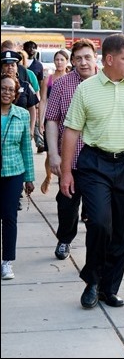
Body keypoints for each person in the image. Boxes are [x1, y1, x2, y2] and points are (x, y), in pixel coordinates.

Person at [60, 33, 124, 310]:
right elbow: (71, 131)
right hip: (94, 164)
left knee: (122, 230)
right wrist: (66, 171)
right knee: (101, 223)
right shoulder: (87, 89)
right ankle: (92, 280)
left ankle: (109, 288)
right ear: (110, 59)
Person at [45, 39, 98, 260]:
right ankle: (65, 239)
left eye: (87, 57)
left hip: (100, 160)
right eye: (78, 58)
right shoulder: (61, 85)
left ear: (96, 58)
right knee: (67, 204)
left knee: (99, 211)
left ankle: (99, 249)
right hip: (71, 159)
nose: (83, 62)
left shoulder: (109, 82)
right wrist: (54, 154)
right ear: (72, 61)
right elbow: (51, 121)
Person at [1, 73, 35, 280]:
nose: (6, 92)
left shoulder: (22, 114)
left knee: (9, 217)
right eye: (3, 88)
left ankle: (7, 262)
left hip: (13, 172)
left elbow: (26, 148)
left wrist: (29, 178)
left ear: (15, 94)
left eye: (10, 89)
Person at [39, 49, 69, 194]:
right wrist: (40, 121)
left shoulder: (70, 79)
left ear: (67, 62)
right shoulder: (48, 79)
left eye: (62, 59)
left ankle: (62, 179)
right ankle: (49, 176)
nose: (59, 62)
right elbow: (43, 100)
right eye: (57, 59)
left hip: (65, 120)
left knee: (64, 151)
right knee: (50, 151)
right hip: (50, 119)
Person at [23, 41, 44, 153]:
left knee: (34, 119)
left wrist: (38, 98)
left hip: (33, 95)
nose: (31, 49)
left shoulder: (38, 65)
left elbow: (39, 83)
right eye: (29, 47)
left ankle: (39, 142)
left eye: (34, 47)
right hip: (21, 95)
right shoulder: (21, 64)